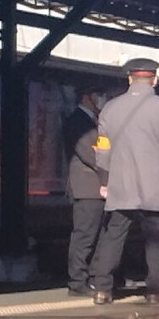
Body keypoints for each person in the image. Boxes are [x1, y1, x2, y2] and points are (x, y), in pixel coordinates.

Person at [89, 58, 159, 305]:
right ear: (154, 79)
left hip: (120, 184)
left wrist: (104, 178)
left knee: (113, 236)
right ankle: (153, 290)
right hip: (153, 186)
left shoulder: (109, 108)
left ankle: (102, 289)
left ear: (130, 79)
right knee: (153, 239)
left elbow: (102, 148)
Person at [64, 85, 105, 296]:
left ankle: (93, 277)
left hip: (97, 188)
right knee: (84, 235)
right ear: (86, 97)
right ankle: (77, 281)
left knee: (98, 236)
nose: (101, 99)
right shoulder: (77, 122)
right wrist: (109, 167)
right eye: (98, 94)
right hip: (86, 188)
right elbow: (89, 153)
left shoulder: (95, 121)